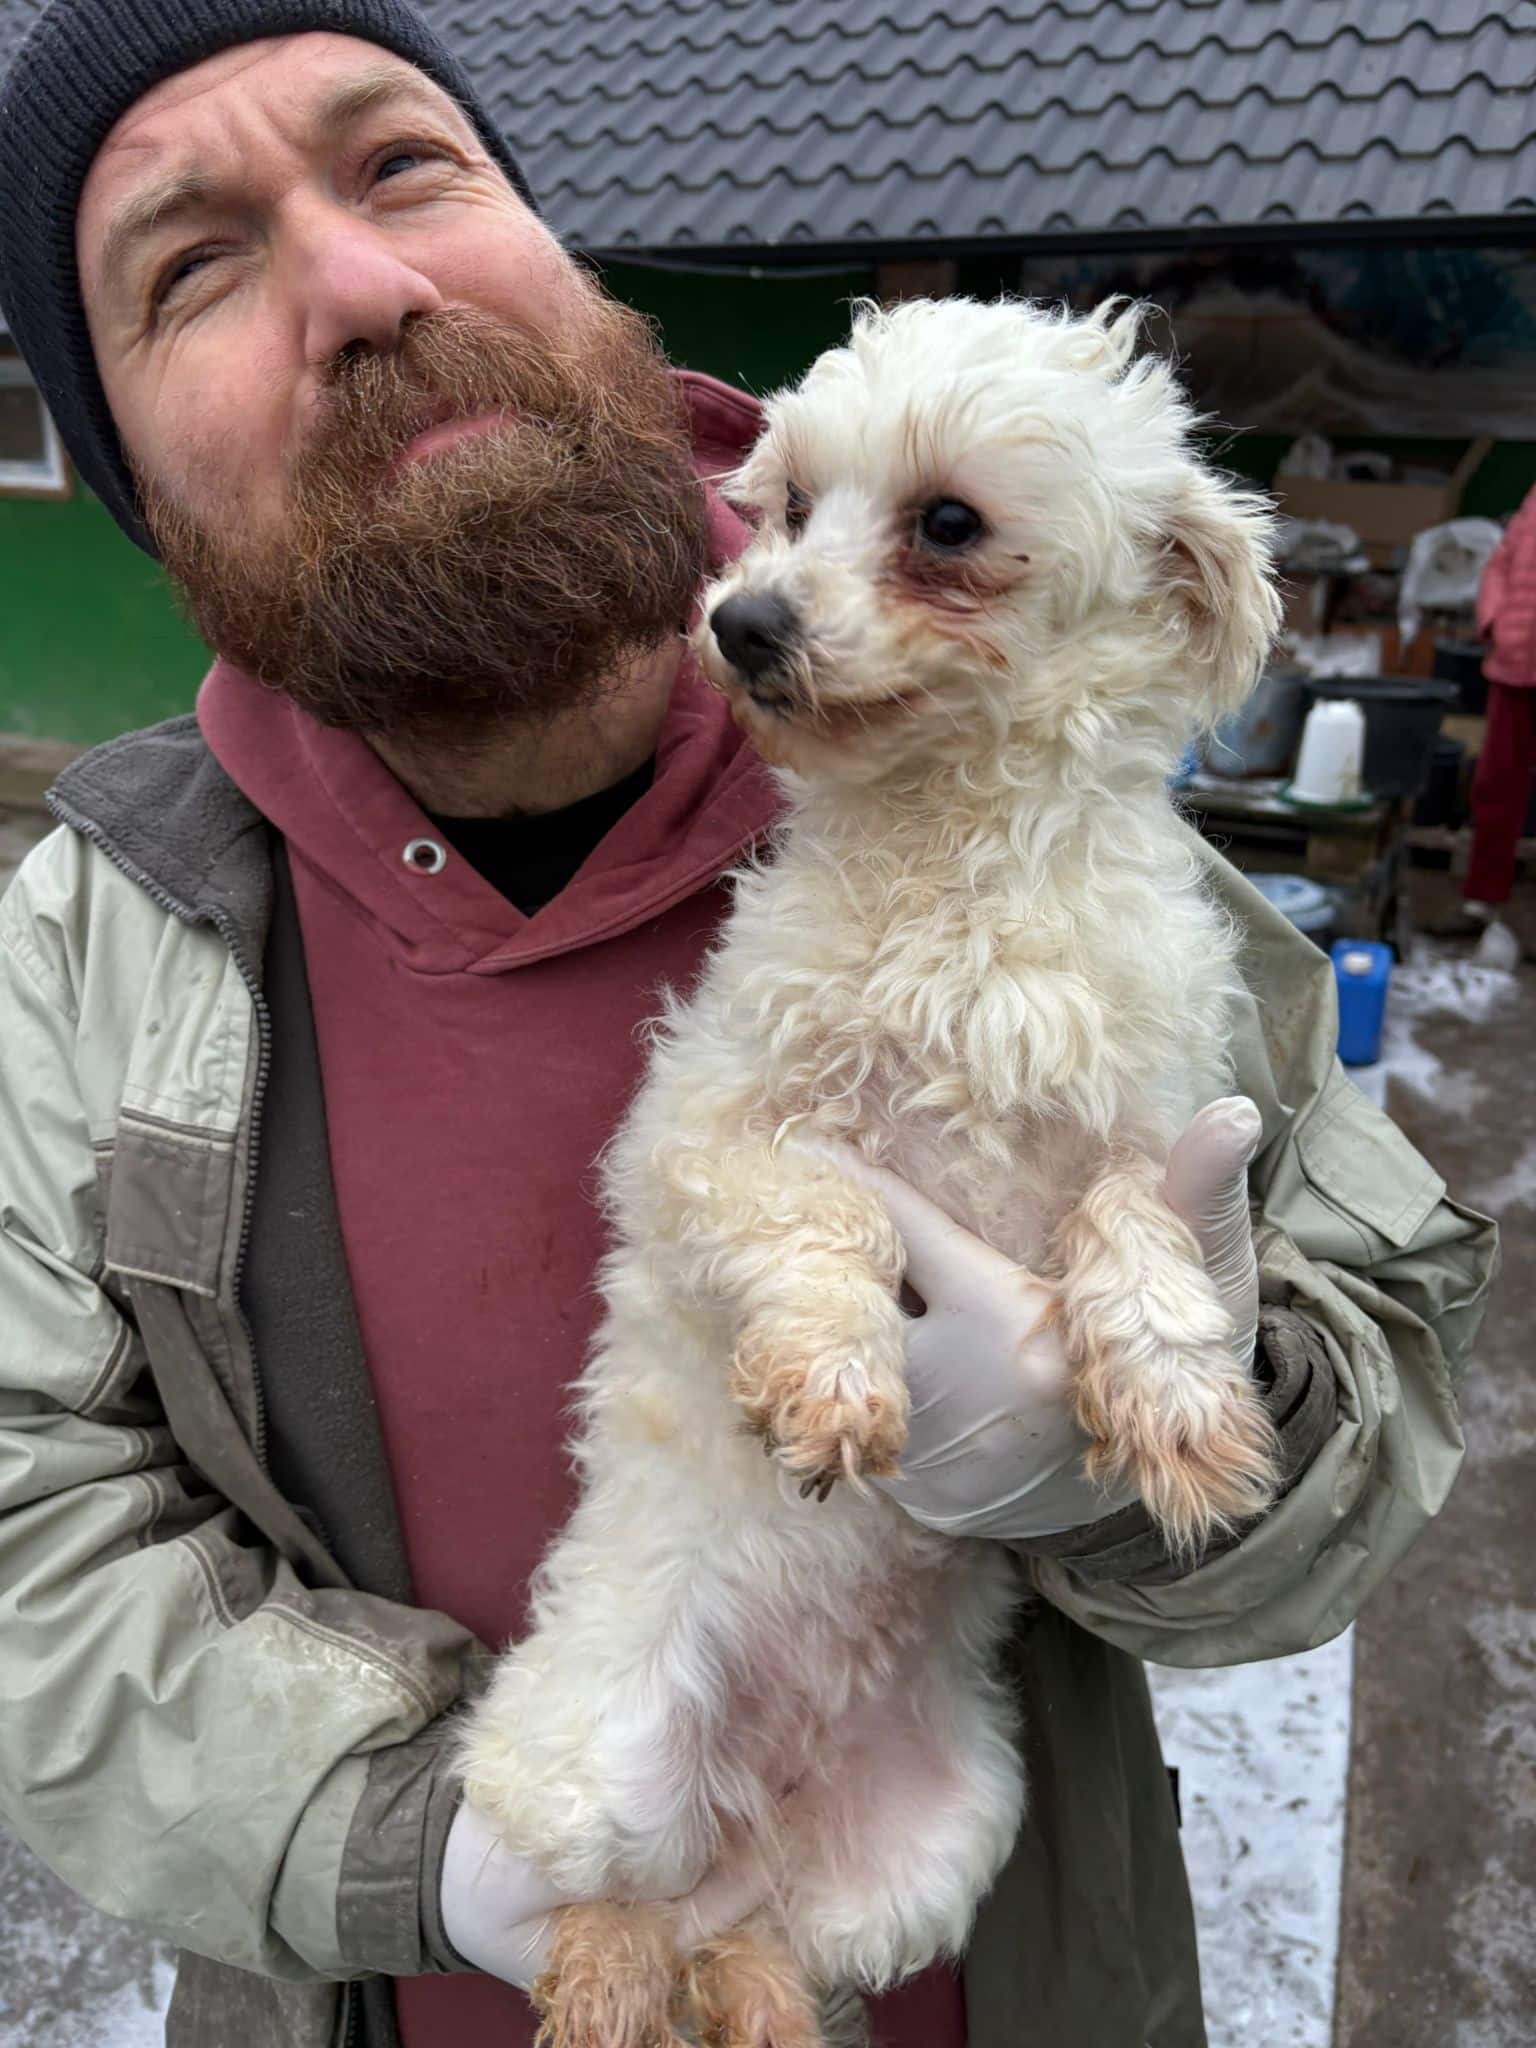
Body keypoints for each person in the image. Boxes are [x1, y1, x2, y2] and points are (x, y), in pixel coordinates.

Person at [0, 5, 1496, 2047]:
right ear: (125, 478)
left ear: (560, 240)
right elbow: (31, 1545)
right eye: (191, 267)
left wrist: (1123, 1447)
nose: (357, 284)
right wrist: (419, 1848)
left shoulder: (1059, 808)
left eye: (404, 162)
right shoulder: (86, 938)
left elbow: (1365, 1427)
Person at [1436, 486, 1536, 948]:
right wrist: (1494, 617)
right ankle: (1480, 903)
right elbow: (1501, 561)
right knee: (1495, 789)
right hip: (1514, 665)